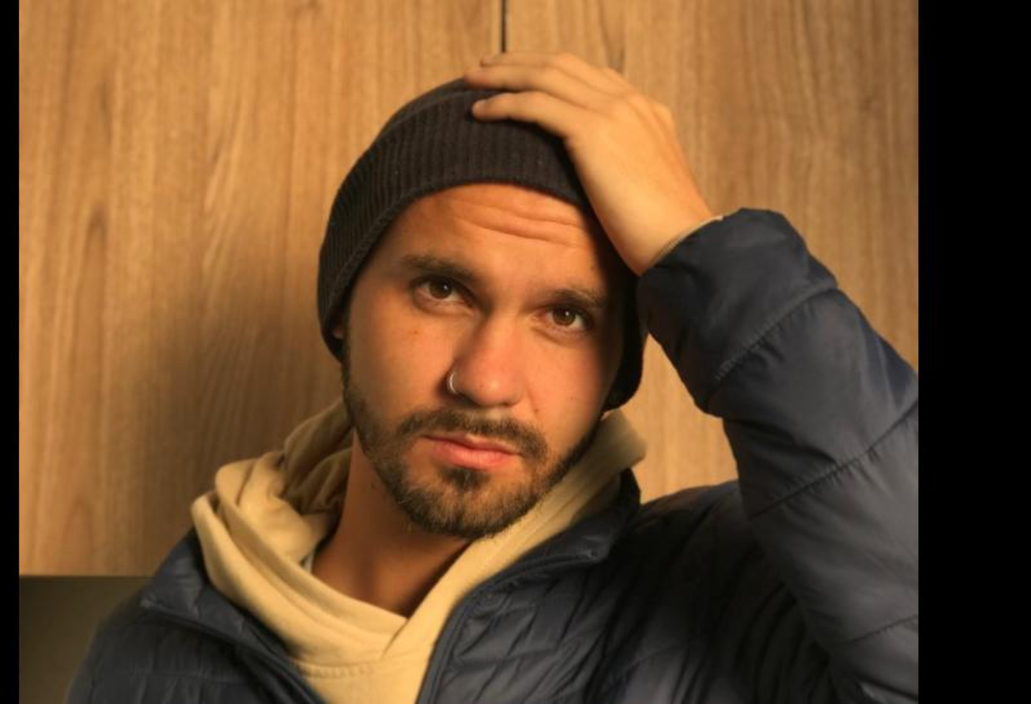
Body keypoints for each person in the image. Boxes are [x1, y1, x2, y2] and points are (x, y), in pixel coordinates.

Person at [67, 51, 918, 703]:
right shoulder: (147, 656)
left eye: (565, 316)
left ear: (615, 370)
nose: (486, 381)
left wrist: (697, 247)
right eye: (442, 290)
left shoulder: (734, 592)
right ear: (343, 308)